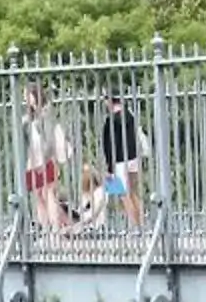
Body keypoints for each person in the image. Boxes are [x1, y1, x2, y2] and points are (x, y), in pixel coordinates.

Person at [77, 90, 146, 231]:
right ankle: (143, 224)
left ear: (109, 100)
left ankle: (134, 227)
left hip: (119, 163)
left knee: (122, 194)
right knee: (133, 192)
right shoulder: (130, 116)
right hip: (133, 159)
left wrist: (109, 168)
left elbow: (109, 146)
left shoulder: (111, 121)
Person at [20, 84, 71, 234]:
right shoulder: (29, 117)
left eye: (27, 94)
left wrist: (45, 160)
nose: (25, 98)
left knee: (49, 193)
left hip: (45, 158)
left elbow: (49, 141)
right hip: (33, 159)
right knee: (38, 195)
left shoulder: (46, 114)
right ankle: (45, 227)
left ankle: (55, 227)